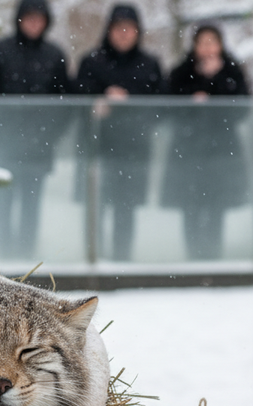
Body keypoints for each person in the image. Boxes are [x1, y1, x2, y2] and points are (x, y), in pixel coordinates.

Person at [0, 0, 70, 259]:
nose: (34, 23)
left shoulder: (54, 54)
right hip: (4, 145)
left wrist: (48, 134)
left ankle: (27, 255)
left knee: (32, 205)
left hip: (39, 148)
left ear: (47, 21)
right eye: (29, 18)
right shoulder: (0, 51)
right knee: (2, 204)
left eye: (39, 18)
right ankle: (3, 256)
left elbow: (66, 103)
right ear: (19, 20)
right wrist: (1, 128)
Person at [74, 4, 163, 261]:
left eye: (129, 28)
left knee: (127, 209)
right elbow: (74, 100)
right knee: (95, 208)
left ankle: (122, 262)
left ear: (138, 32)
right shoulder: (91, 62)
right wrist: (96, 102)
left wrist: (131, 104)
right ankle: (93, 260)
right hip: (97, 149)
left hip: (133, 151)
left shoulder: (150, 64)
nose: (124, 33)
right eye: (118, 27)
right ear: (109, 30)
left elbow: (161, 108)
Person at [161, 24, 250, 260]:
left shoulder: (232, 71)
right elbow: (167, 107)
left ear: (220, 45)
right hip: (188, 151)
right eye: (203, 42)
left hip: (222, 152)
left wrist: (217, 79)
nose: (208, 47)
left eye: (213, 41)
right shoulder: (181, 71)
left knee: (216, 207)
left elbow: (241, 109)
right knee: (189, 207)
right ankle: (192, 257)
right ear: (195, 45)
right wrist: (193, 99)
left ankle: (213, 256)